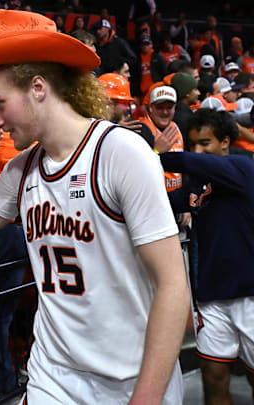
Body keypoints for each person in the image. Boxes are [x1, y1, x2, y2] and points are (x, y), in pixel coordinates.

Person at [0, 10, 189, 403]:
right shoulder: (21, 168)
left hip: (131, 378)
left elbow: (174, 285)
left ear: (38, 88)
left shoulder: (119, 152)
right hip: (54, 376)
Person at [160, 109, 254, 405]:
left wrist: (156, 155)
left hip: (250, 296)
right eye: (193, 145)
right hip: (211, 297)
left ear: (225, 142)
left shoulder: (243, 167)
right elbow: (158, 197)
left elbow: (188, 161)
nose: (198, 151)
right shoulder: (196, 185)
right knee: (213, 380)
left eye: (206, 143)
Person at [141, 85, 185, 192]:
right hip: (153, 196)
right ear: (150, 107)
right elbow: (135, 170)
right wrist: (156, 152)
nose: (165, 112)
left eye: (169, 107)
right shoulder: (140, 130)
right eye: (160, 108)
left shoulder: (175, 126)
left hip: (177, 196)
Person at [98, 72, 154, 147]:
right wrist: (113, 132)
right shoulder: (86, 127)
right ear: (108, 102)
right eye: (124, 103)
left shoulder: (138, 130)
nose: (127, 108)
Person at [170, 72, 200, 136]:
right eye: (195, 89)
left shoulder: (175, 110)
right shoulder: (185, 119)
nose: (198, 93)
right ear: (187, 93)